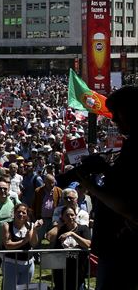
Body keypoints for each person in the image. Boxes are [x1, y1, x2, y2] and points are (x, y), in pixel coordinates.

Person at [77, 90, 138, 285]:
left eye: (117, 115)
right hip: (116, 246)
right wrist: (105, 168)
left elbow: (129, 206)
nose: (115, 121)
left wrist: (91, 186)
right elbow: (124, 184)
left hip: (123, 249)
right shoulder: (130, 146)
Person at [45, 206, 91, 290]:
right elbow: (49, 237)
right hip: (61, 272)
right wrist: (58, 225)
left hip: (78, 271)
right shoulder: (60, 229)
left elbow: (88, 244)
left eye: (72, 214)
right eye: (67, 215)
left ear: (76, 215)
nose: (70, 217)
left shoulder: (83, 229)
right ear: (62, 217)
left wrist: (72, 234)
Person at [0, 203, 43, 290]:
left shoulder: (30, 226)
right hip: (10, 263)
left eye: (24, 212)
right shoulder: (7, 225)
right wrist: (24, 241)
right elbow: (8, 245)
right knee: (10, 288)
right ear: (14, 213)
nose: (21, 214)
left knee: (23, 288)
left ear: (27, 214)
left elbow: (34, 243)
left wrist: (34, 229)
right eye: (18, 212)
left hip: (28, 264)